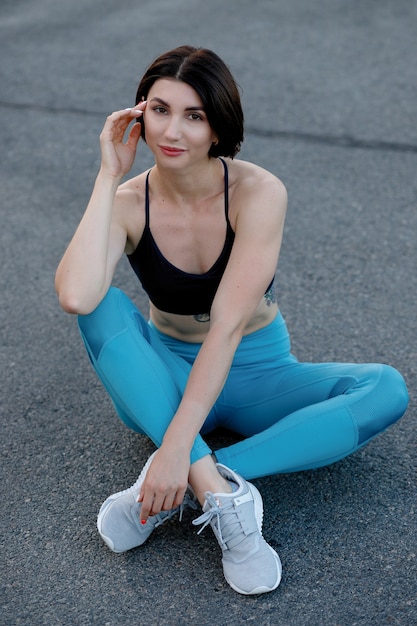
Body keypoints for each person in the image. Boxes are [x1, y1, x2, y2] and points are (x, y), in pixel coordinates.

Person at [55, 45, 409, 596]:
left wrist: (175, 454)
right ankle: (218, 492)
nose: (173, 131)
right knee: (100, 303)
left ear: (218, 127)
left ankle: (194, 479)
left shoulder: (258, 192)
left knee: (384, 388)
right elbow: (76, 295)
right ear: (138, 115)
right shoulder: (127, 202)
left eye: (194, 115)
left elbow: (225, 328)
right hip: (161, 377)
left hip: (256, 368)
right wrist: (107, 176)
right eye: (160, 109)